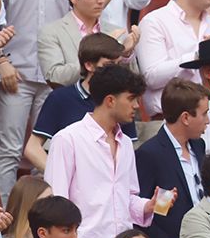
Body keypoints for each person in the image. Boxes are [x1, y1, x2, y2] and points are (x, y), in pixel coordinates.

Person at [45, 64, 168, 238]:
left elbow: (127, 199)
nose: (136, 106)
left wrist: (148, 206)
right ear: (110, 100)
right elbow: (56, 205)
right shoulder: (67, 139)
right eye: (131, 99)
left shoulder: (126, 145)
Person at [0, 0, 68, 202]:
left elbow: (74, 23)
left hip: (54, 77)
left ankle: (43, 217)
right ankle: (4, 224)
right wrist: (1, 62)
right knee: (10, 150)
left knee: (49, 153)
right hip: (18, 72)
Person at [135, 78, 210, 238]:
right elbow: (143, 215)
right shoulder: (151, 155)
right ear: (186, 118)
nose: (208, 121)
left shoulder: (199, 146)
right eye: (204, 114)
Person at [26, 33, 139, 172]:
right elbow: (33, 148)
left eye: (117, 65)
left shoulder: (121, 101)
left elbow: (128, 152)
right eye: (108, 65)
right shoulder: (60, 98)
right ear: (89, 65)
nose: (114, 71)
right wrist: (60, 176)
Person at [35, 0, 131, 89]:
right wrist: (100, 52)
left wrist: (126, 55)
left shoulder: (115, 31)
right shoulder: (52, 32)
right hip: (72, 105)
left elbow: (131, 80)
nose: (101, 0)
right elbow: (55, 77)